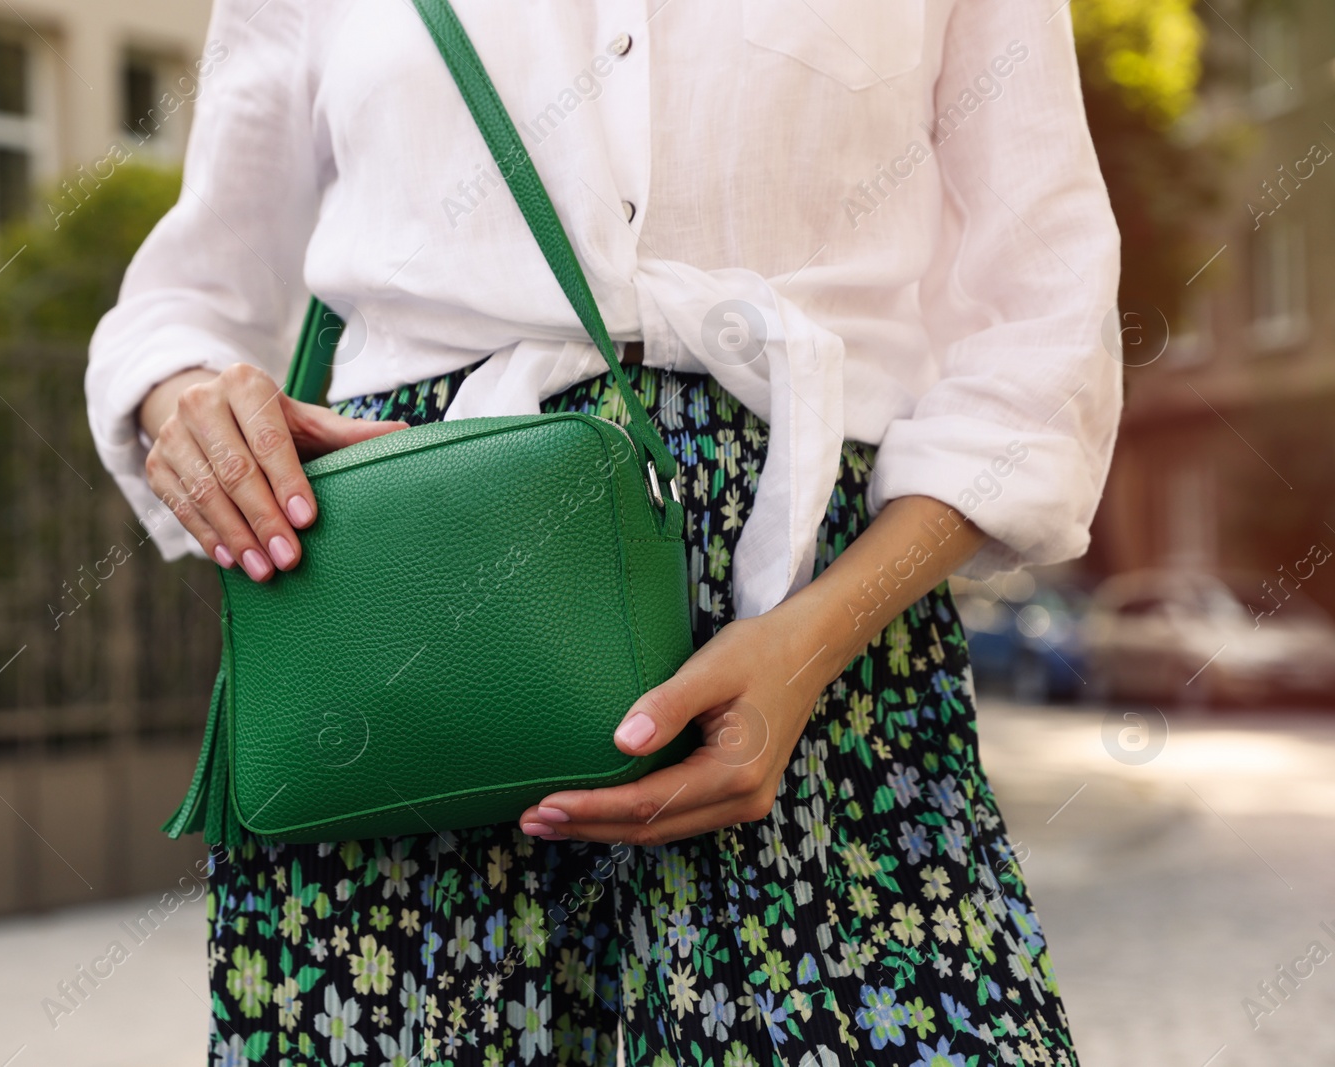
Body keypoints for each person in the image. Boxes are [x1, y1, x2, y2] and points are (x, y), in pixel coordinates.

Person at [86, 1, 1118, 1063]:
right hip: (414, 648)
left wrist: (810, 640)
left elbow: (1045, 314)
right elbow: (184, 304)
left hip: (827, 656)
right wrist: (190, 404)